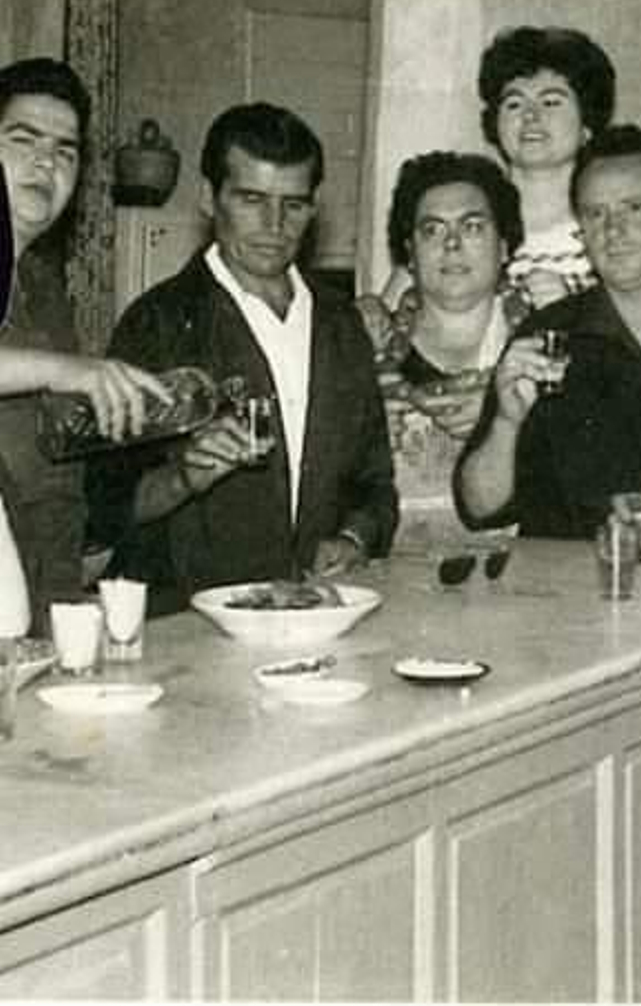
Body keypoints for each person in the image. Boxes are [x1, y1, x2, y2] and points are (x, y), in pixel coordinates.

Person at [89, 102, 398, 614]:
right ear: (209, 199)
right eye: (252, 199)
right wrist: (183, 476)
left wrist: (354, 537)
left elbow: (375, 487)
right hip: (188, 625)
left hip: (312, 617)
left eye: (293, 204)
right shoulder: (158, 323)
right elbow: (102, 507)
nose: (274, 225)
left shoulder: (341, 327)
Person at [456, 124, 641, 539]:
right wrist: (507, 421)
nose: (613, 230)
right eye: (595, 214)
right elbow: (478, 508)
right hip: (570, 589)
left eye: (633, 208)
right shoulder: (548, 334)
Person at [0, 58, 168, 632]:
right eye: (24, 140)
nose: (46, 162)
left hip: (45, 584)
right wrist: (67, 370)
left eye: (66, 151)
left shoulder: (43, 281)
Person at [376, 26, 616, 325]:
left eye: (551, 101)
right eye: (514, 103)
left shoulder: (610, 231)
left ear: (587, 123)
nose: (530, 116)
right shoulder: (451, 221)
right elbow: (379, 338)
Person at [362, 151, 530, 545]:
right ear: (410, 254)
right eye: (432, 230)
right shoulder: (362, 351)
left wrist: (505, 421)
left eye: (472, 227)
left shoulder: (545, 349)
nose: (452, 245)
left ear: (504, 245)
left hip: (524, 586)